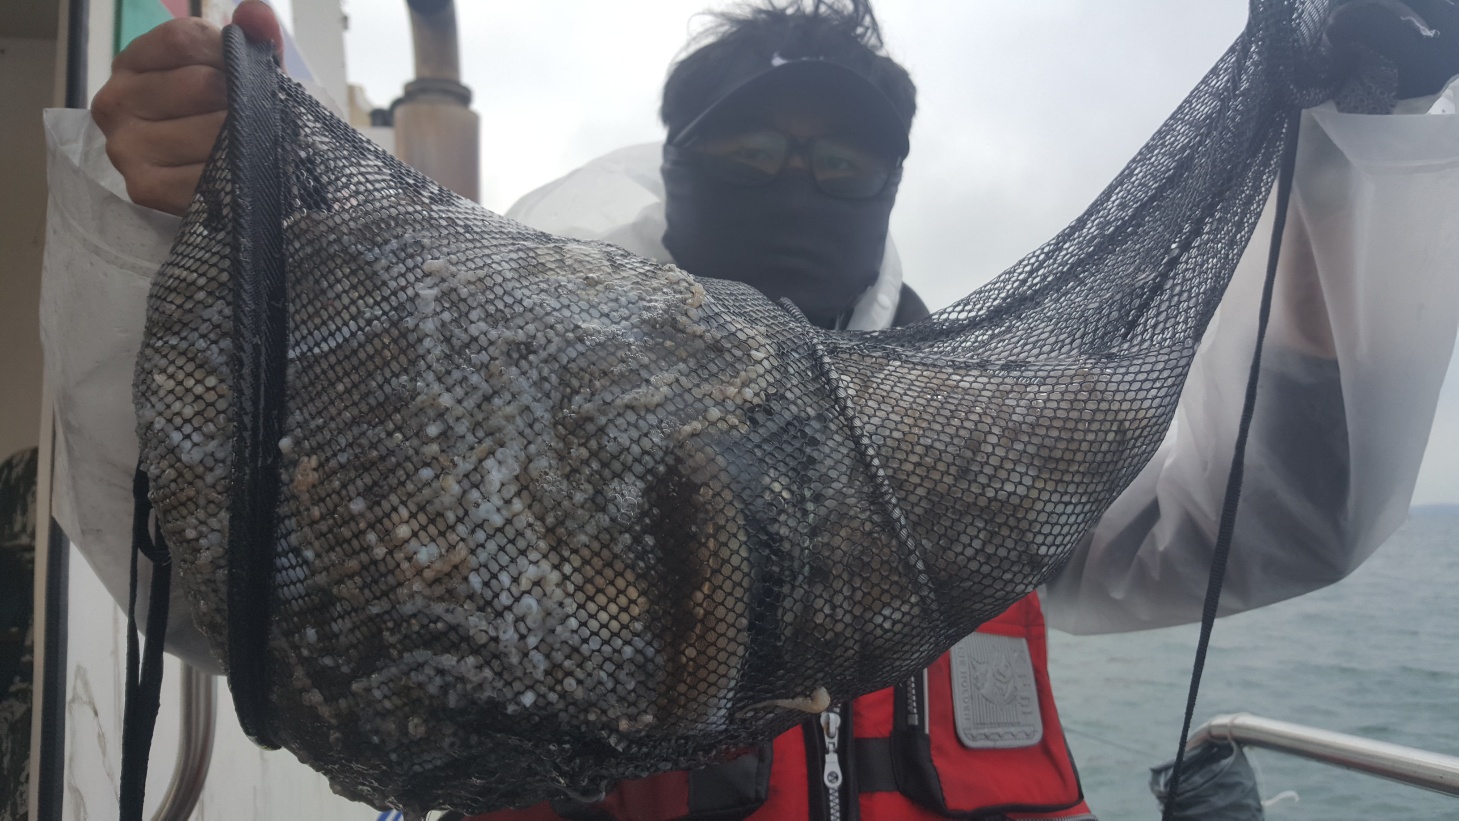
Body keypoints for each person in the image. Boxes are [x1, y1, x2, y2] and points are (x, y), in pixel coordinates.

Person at [68, 0, 1459, 819]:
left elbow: (1280, 511)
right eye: (748, 145)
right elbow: (217, 574)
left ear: (890, 182)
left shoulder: (986, 434)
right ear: (678, 162)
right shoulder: (479, 398)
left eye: (843, 157)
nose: (798, 177)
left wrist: (1353, 152)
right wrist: (166, 231)